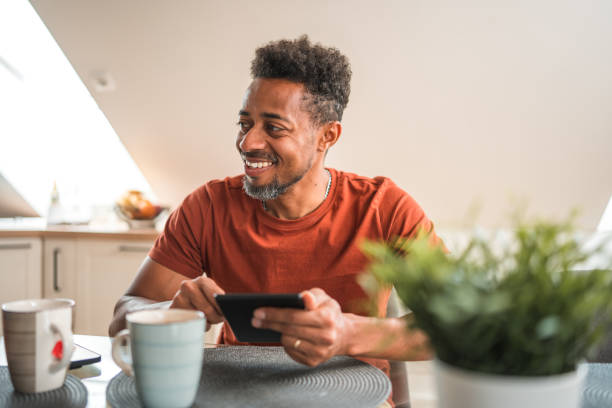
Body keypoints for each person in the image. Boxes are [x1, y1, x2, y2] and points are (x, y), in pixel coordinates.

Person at [109, 35, 440, 375]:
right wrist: (169, 309)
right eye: (245, 123)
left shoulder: (385, 209)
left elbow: (453, 329)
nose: (247, 142)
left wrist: (347, 333)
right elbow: (122, 316)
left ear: (327, 136)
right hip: (234, 391)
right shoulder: (206, 207)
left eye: (274, 128)